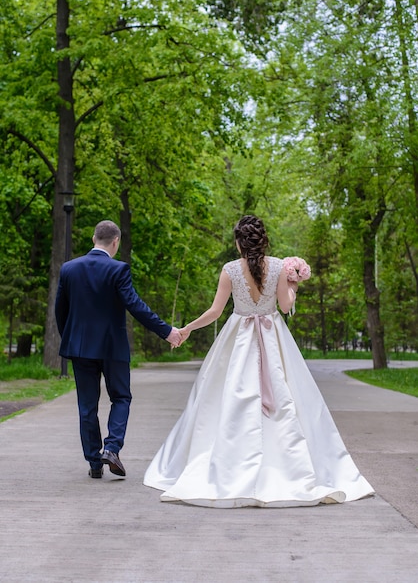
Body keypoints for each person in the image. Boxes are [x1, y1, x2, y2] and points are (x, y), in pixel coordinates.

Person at [143, 215, 374, 507]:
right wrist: (295, 282)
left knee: (226, 398)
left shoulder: (229, 270)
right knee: (286, 396)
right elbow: (286, 306)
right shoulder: (278, 266)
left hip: (238, 337)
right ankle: (287, 466)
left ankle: (229, 467)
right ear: (262, 240)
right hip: (273, 335)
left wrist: (187, 328)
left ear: (238, 242)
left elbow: (215, 312)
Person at [55, 220, 181, 479]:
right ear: (116, 242)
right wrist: (166, 331)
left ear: (93, 239)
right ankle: (111, 448)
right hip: (113, 347)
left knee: (87, 406)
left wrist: (71, 337)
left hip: (80, 348)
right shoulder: (118, 269)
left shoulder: (69, 269)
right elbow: (135, 306)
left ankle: (93, 462)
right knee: (121, 397)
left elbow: (61, 310)